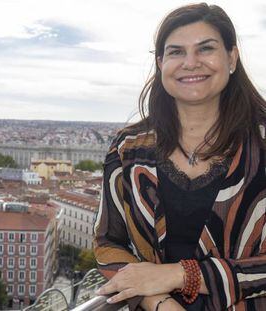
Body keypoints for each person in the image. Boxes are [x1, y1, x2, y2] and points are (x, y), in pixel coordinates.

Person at [94, 3, 266, 311]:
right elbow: (107, 243)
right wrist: (158, 301)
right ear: (161, 64)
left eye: (206, 49)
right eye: (176, 52)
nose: (191, 63)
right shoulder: (129, 148)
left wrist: (180, 275)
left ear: (232, 58)